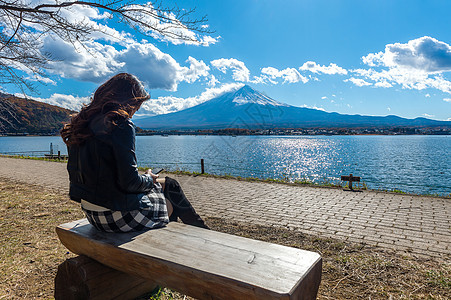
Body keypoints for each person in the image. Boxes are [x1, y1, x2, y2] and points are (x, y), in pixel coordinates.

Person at [60, 73, 208, 232]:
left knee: (169, 184)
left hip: (93, 214)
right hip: (117, 216)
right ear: (130, 101)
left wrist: (144, 179)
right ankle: (202, 234)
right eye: (138, 105)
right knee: (170, 200)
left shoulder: (81, 123)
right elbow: (129, 183)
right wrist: (149, 178)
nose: (136, 110)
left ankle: (201, 232)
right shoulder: (119, 123)